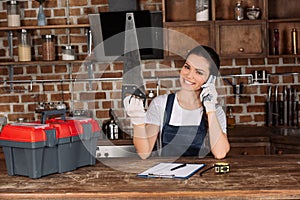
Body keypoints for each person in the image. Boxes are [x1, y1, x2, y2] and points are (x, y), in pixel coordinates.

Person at [124, 45, 230, 159]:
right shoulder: (160, 104)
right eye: (187, 67)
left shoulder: (215, 111)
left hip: (202, 175)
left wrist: (210, 109)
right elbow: (144, 153)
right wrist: (137, 121)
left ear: (210, 79)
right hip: (167, 174)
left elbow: (220, 153)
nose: (189, 75)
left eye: (199, 72)